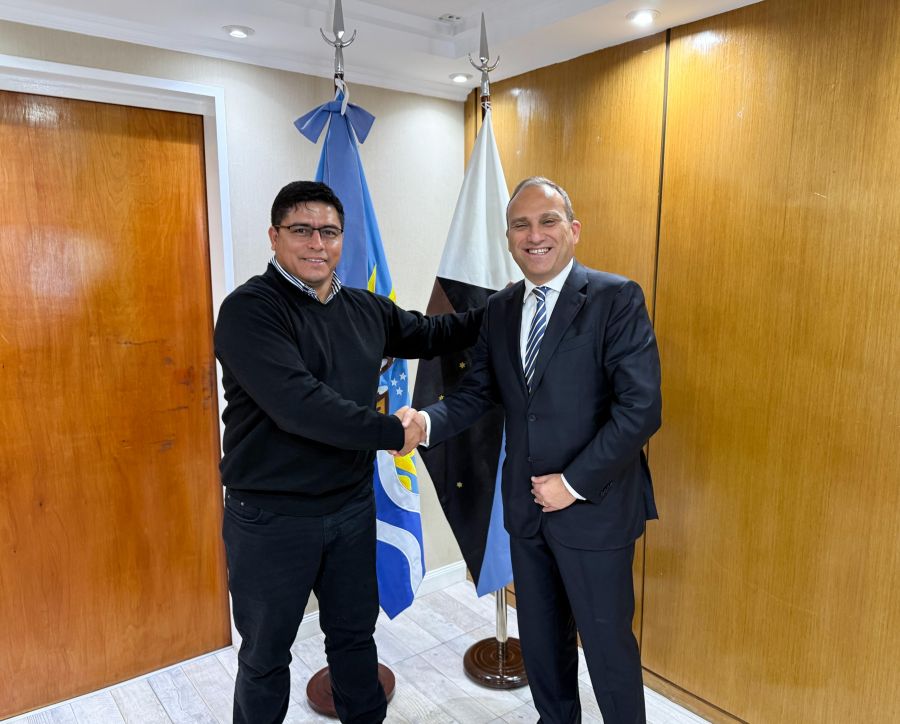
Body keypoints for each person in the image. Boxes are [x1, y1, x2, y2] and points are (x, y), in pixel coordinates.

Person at [214, 180, 482, 724]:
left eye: (329, 232)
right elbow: (302, 407)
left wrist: (513, 305)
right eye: (302, 230)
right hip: (271, 519)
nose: (317, 243)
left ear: (342, 239)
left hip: (350, 510)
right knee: (265, 658)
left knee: (355, 640)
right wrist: (396, 432)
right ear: (274, 236)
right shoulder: (249, 311)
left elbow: (433, 333)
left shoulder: (363, 308)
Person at [400, 177, 662, 724]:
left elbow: (640, 410)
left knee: (607, 649)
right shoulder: (500, 308)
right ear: (509, 238)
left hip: (596, 510)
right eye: (520, 225)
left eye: (548, 221)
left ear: (573, 230)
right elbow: (479, 392)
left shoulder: (615, 298)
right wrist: (426, 422)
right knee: (543, 644)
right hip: (526, 511)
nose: (534, 235)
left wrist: (572, 484)